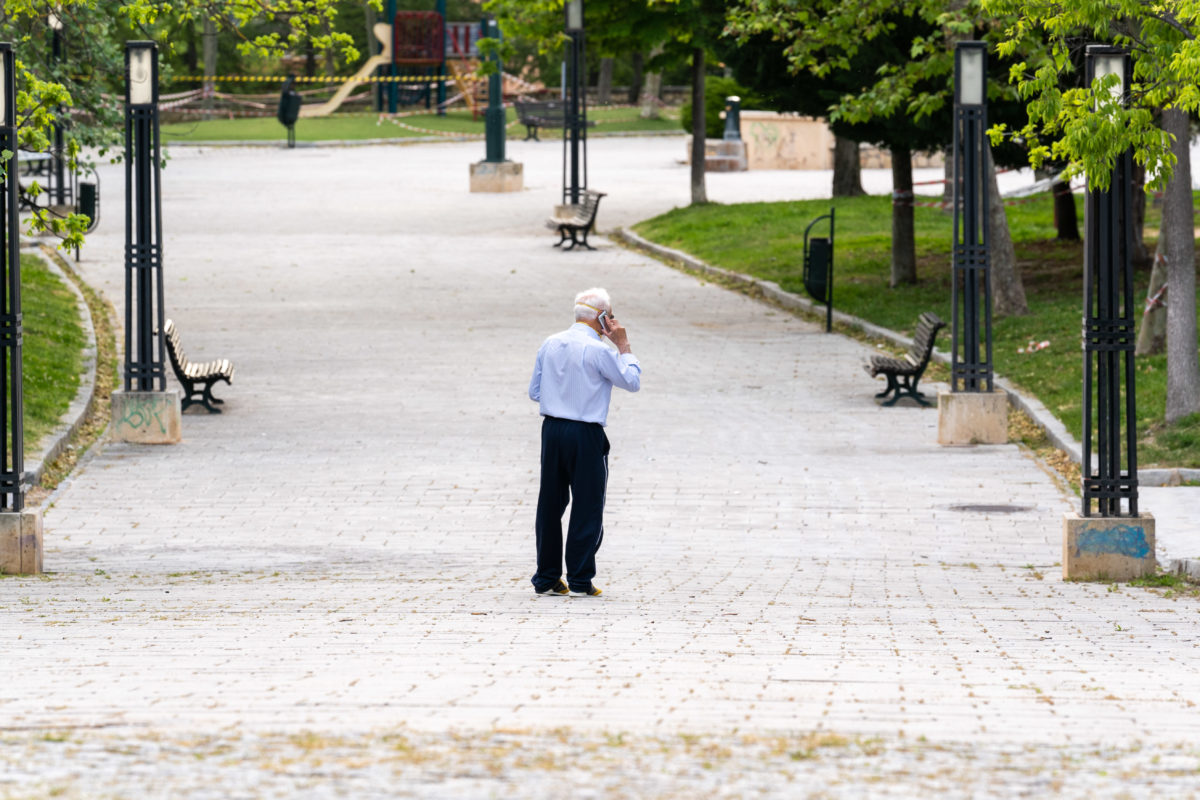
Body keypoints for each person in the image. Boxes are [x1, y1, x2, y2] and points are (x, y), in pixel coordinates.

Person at [527, 288, 641, 597]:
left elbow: (535, 392)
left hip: (552, 430)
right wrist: (623, 345)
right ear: (602, 318)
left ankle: (547, 576)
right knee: (588, 503)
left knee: (550, 502)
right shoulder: (600, 351)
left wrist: (560, 394)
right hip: (585, 432)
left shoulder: (550, 343)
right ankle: (579, 576)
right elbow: (632, 381)